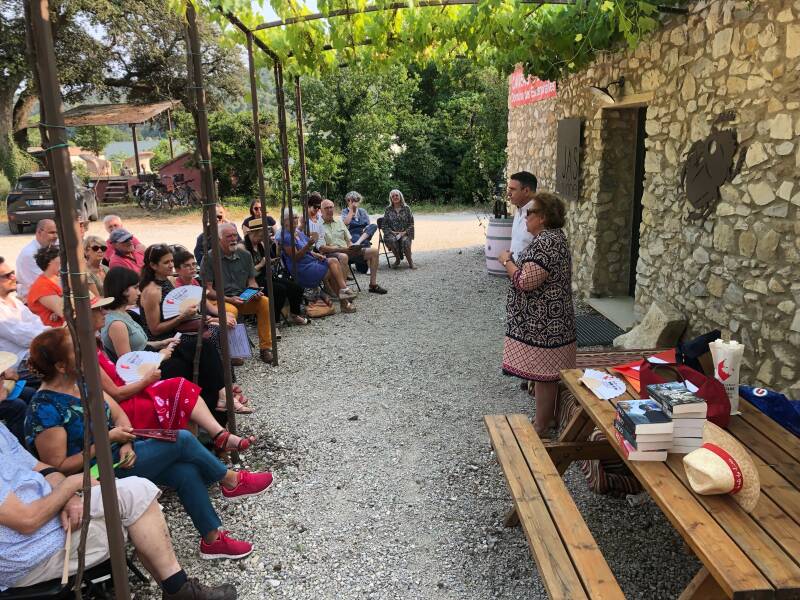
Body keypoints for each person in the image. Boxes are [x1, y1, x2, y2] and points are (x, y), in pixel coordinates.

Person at [24, 328, 273, 562]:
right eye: (78, 350)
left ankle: (212, 540)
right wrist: (108, 440)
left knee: (185, 472)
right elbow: (59, 468)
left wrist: (124, 442)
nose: (87, 353)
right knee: (182, 439)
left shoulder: (81, 385)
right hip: (93, 474)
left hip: (119, 454)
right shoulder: (44, 409)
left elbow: (119, 415)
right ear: (61, 366)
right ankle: (231, 480)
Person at [0, 423, 238, 599]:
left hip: (55, 511)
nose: (6, 377)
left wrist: (68, 495)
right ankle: (231, 483)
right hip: (31, 552)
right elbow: (27, 520)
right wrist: (71, 484)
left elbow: (42, 468)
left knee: (169, 477)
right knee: (146, 487)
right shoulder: (46, 408)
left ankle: (181, 585)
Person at [88, 292, 254, 451]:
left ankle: (218, 422)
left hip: (146, 365)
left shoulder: (104, 334)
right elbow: (127, 366)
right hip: (138, 380)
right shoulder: (112, 328)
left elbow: (142, 345)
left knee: (203, 350)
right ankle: (217, 427)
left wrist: (161, 345)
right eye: (97, 310)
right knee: (192, 370)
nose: (103, 311)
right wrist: (156, 362)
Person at [106, 261, 249, 415]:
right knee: (192, 363)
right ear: (123, 290)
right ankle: (218, 400)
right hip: (148, 368)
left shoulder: (124, 314)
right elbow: (129, 365)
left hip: (152, 355)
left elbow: (139, 344)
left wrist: (161, 343)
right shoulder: (117, 324)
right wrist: (160, 356)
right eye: (134, 288)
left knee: (203, 346)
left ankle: (221, 394)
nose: (138, 292)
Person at [497, 192, 577, 435]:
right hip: (553, 320)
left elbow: (525, 281)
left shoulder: (545, 242)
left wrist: (506, 262)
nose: (525, 217)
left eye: (529, 213)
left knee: (544, 376)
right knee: (547, 375)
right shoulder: (555, 238)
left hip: (544, 325)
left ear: (542, 217)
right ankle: (547, 419)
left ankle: (541, 425)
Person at [200, 224, 273, 363]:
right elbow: (208, 290)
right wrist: (229, 299)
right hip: (220, 300)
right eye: (229, 236)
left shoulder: (245, 255)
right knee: (231, 311)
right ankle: (234, 352)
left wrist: (254, 291)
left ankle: (265, 348)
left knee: (264, 302)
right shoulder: (209, 258)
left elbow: (251, 281)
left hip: (241, 297)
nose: (233, 239)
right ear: (219, 239)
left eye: (235, 235)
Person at [279, 208, 356, 313]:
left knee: (333, 261)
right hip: (301, 268)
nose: (295, 220)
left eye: (296, 217)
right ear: (284, 221)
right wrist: (309, 244)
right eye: (292, 218)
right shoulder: (286, 237)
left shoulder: (297, 232)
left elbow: (308, 251)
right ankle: (344, 297)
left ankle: (344, 296)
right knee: (334, 268)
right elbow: (296, 257)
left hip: (310, 262)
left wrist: (316, 255)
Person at [244, 219, 307, 326]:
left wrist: (271, 261)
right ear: (254, 233)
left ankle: (294, 314)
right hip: (252, 281)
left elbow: (265, 263)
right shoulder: (244, 248)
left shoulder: (260, 245)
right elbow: (244, 274)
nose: (263, 237)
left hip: (265, 277)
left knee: (296, 287)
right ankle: (274, 322)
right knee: (279, 290)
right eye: (261, 235)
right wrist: (261, 264)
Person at [319, 199, 387, 295]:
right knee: (343, 256)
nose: (329, 210)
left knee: (374, 252)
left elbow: (348, 240)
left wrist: (353, 248)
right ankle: (343, 290)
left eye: (331, 207)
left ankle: (373, 285)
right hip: (332, 254)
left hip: (347, 250)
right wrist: (343, 249)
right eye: (326, 208)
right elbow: (322, 248)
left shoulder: (339, 222)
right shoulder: (318, 225)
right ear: (321, 210)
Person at [0, 256, 47, 368]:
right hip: (18, 364)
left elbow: (36, 321)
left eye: (12, 273)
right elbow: (23, 337)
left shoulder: (14, 301)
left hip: (33, 354)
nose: (13, 277)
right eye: (7, 275)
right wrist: (53, 335)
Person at [15, 219, 58, 303]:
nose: (56, 236)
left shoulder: (49, 245)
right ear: (39, 232)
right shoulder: (29, 254)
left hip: (46, 294)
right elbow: (45, 283)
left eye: (57, 232)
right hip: (33, 300)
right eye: (52, 232)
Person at [27, 246, 64, 327]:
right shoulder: (41, 286)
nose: (64, 260)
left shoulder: (59, 278)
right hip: (54, 331)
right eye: (61, 258)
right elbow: (64, 311)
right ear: (50, 261)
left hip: (63, 326)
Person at [507, 171, 538, 261]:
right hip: (515, 268)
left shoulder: (538, 215)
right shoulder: (519, 209)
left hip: (529, 268)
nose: (508, 193)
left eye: (513, 189)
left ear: (526, 191)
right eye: (509, 189)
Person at [382, 189, 415, 269]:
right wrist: (392, 232)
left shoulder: (406, 208)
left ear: (400, 196)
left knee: (405, 241)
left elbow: (411, 223)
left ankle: (410, 261)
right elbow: (384, 225)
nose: (395, 197)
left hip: (404, 233)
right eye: (393, 196)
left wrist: (404, 232)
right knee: (392, 240)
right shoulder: (388, 209)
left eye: (396, 195)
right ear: (391, 198)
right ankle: (397, 259)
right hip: (392, 233)